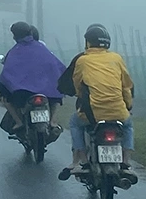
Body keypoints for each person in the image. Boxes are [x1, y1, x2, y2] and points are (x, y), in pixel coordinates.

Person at [57, 23, 137, 184]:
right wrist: (127, 106)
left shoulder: (82, 60)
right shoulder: (117, 58)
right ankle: (126, 161)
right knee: (127, 125)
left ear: (88, 42)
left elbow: (78, 85)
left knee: (74, 123)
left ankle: (84, 161)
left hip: (91, 114)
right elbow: (126, 86)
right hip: (117, 112)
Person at [0, 22, 66, 139]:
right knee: (57, 94)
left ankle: (18, 122)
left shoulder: (15, 51)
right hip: (48, 91)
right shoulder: (42, 49)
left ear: (15, 36)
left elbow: (7, 72)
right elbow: (57, 66)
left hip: (22, 93)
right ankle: (53, 122)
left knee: (4, 92)